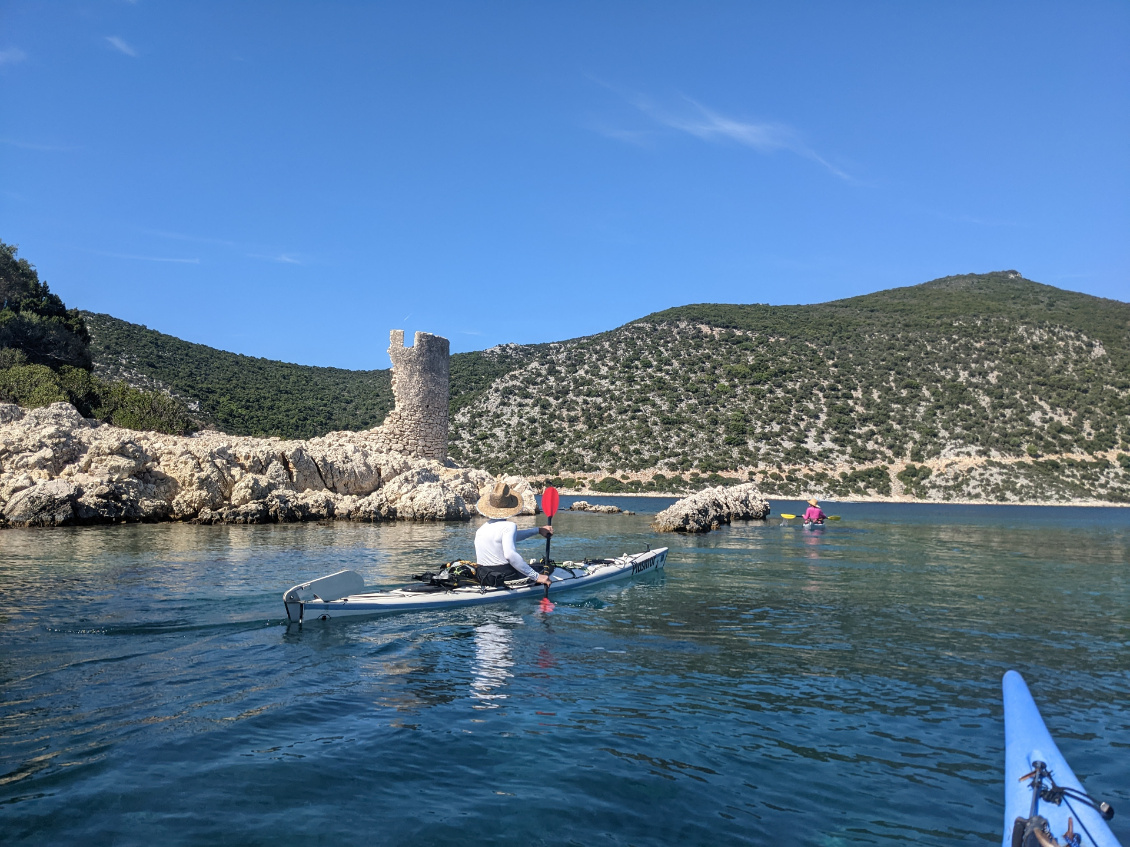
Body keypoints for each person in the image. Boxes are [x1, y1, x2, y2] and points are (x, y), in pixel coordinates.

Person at [474, 480, 553, 587]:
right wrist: (537, 576)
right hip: (503, 574)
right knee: (545, 567)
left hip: (483, 575)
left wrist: (538, 530)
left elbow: (511, 537)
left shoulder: (482, 529)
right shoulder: (509, 526)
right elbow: (510, 555)